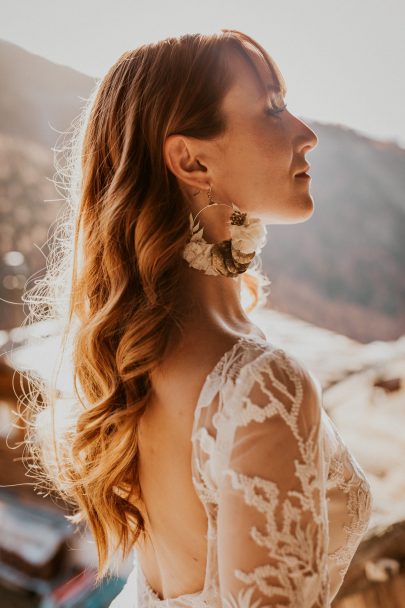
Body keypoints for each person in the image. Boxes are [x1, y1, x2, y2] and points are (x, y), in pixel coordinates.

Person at [24, 29, 373, 607]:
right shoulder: (261, 385)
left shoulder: (141, 361)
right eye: (273, 107)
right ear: (191, 160)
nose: (307, 135)